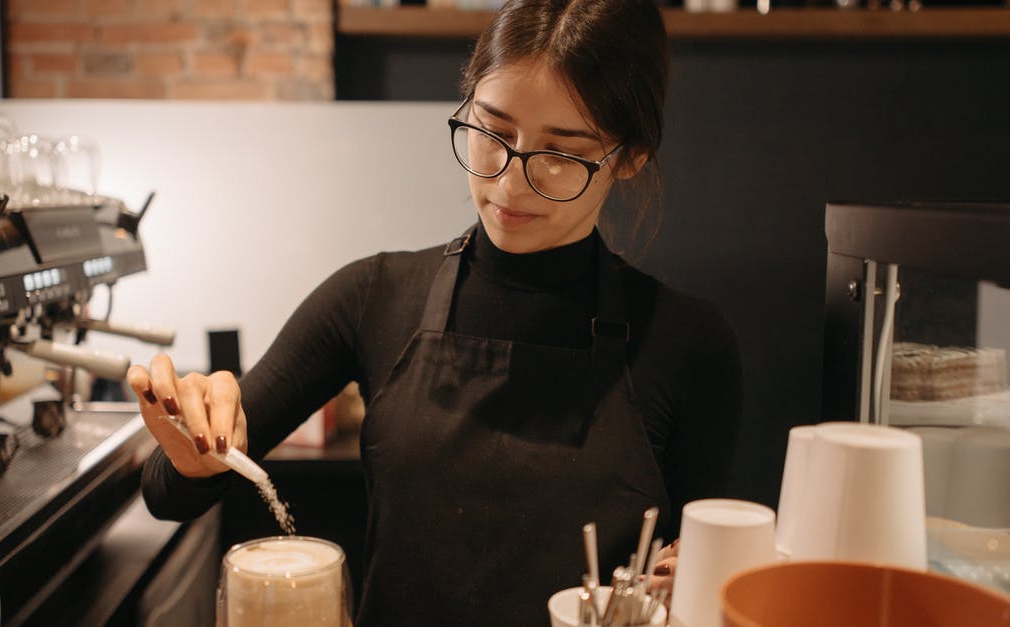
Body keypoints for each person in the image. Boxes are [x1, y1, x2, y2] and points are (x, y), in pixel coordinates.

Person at [128, 0, 742, 623]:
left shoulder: (686, 344)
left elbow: (713, 567)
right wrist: (194, 447)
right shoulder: (373, 295)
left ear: (630, 155)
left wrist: (699, 569)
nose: (508, 183)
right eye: (493, 132)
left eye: (561, 153)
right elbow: (164, 490)